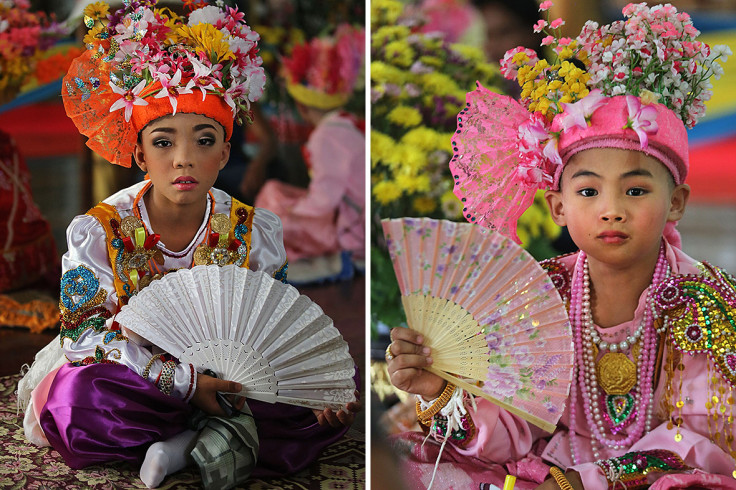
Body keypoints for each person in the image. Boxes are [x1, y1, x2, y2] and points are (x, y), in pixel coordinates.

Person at [385, 3, 735, 489]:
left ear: (675, 202)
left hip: (652, 479)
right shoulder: (541, 291)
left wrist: (583, 482)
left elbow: (705, 439)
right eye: (588, 191)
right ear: (557, 207)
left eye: (636, 191)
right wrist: (438, 389)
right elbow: (512, 429)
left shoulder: (705, 301)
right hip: (545, 473)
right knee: (407, 463)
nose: (611, 210)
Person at [16, 2, 359, 489]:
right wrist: (184, 383)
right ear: (137, 153)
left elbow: (274, 327)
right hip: (139, 378)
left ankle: (179, 446)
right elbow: (84, 336)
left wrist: (309, 390)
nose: (184, 159)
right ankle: (215, 437)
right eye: (162, 142)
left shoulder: (251, 228)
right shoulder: (99, 230)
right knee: (79, 399)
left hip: (233, 383)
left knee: (321, 411)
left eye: (203, 140)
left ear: (225, 150)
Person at [255, 24, 365, 283]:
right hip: (350, 212)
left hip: (348, 228)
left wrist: (295, 209)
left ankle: (333, 259)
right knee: (273, 191)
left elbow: (324, 201)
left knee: (270, 221)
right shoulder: (346, 123)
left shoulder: (325, 136)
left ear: (301, 107)